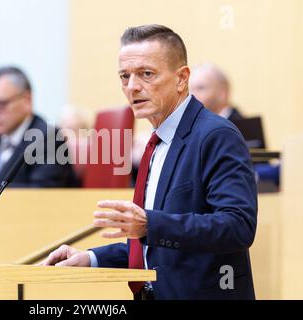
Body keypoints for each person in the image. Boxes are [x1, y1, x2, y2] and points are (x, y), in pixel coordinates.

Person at [40, 24, 257, 300]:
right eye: (124, 76)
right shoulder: (157, 141)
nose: (132, 87)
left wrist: (149, 225)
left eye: (146, 74)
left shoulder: (216, 135)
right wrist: (91, 257)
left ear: (181, 78)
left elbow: (237, 226)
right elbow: (161, 244)